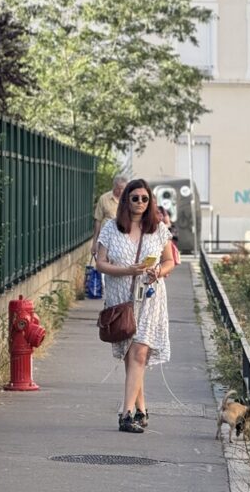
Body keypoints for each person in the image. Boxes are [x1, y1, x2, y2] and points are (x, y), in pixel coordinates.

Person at [95, 179, 175, 433]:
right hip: (121, 300)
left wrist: (157, 272)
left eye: (145, 198)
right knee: (131, 354)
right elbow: (100, 263)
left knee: (139, 353)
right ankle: (141, 408)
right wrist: (126, 270)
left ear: (150, 201)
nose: (140, 203)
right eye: (135, 198)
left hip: (151, 298)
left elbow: (170, 261)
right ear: (125, 200)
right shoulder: (111, 228)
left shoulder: (158, 229)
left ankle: (126, 414)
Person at [91, 175, 128, 256]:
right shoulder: (104, 199)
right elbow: (98, 221)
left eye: (123, 188)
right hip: (105, 238)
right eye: (118, 188)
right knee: (103, 262)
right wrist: (94, 242)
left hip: (123, 239)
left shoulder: (129, 199)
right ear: (114, 186)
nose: (121, 191)